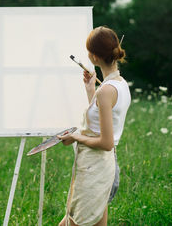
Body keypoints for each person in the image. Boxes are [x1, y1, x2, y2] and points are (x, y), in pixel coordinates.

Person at [57, 26, 131, 226]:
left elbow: (106, 142)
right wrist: (91, 90)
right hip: (102, 165)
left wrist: (75, 136)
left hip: (96, 168)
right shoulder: (121, 84)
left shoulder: (106, 91)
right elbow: (101, 122)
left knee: (71, 223)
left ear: (93, 57)